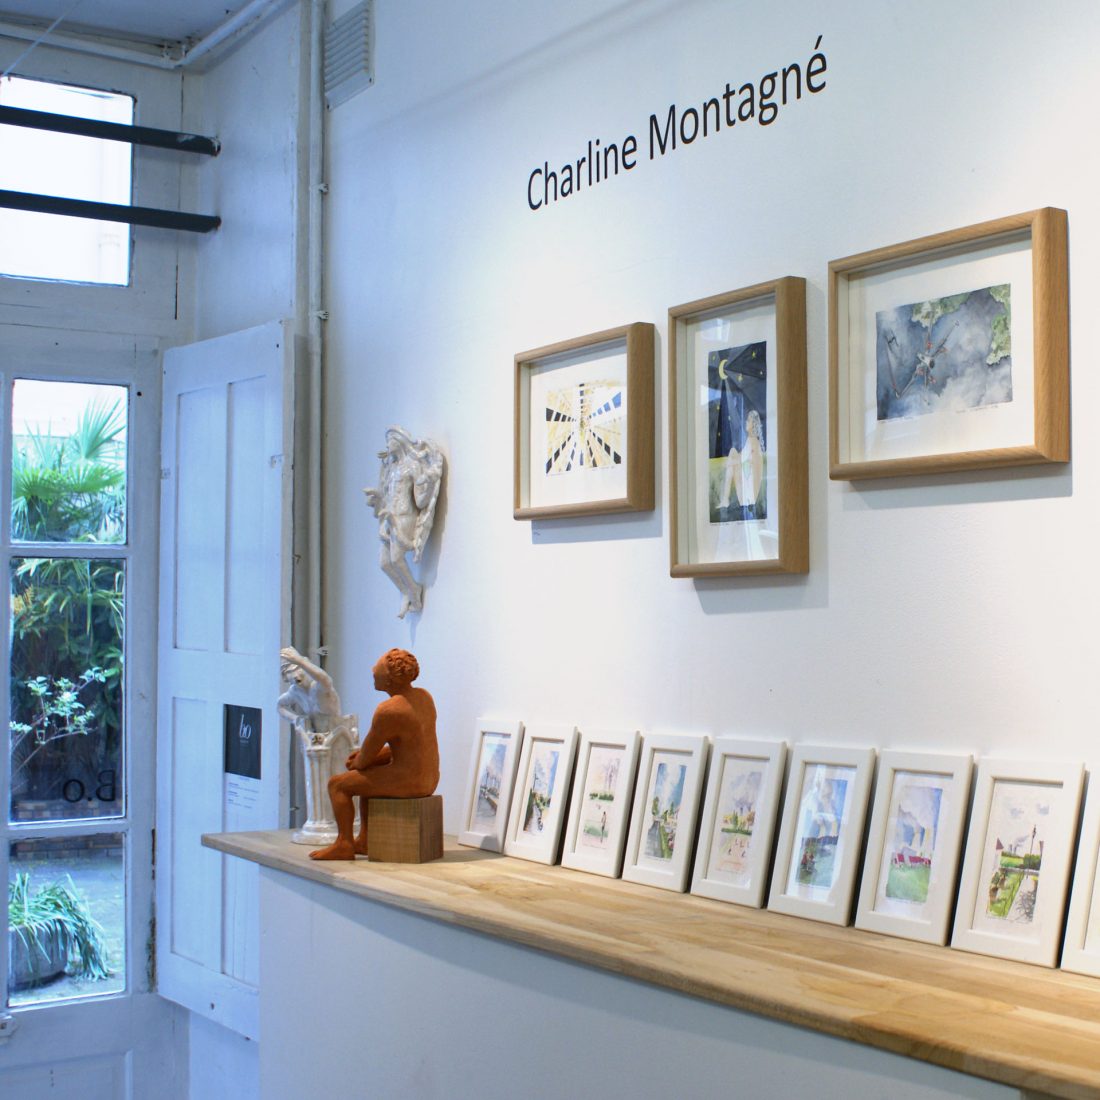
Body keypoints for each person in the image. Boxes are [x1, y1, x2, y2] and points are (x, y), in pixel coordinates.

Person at [309, 648, 439, 860]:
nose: (372, 670)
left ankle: (343, 843)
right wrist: (369, 759)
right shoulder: (424, 697)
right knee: (370, 776)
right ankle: (365, 840)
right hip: (429, 779)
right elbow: (411, 746)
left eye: (377, 669)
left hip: (409, 781)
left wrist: (358, 761)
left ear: (389, 679)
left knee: (338, 785)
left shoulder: (389, 710)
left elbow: (365, 759)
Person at [363, 427, 444, 618]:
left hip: (404, 516)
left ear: (399, 442)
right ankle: (407, 590)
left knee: (396, 559)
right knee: (384, 562)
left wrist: (428, 482)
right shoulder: (391, 469)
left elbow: (420, 501)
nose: (387, 445)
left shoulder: (413, 466)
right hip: (388, 516)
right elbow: (386, 495)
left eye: (390, 441)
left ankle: (414, 593)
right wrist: (376, 496)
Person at [277, 646, 343, 731]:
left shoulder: (318, 686)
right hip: (316, 736)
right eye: (289, 672)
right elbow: (280, 705)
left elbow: (326, 680)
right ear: (285, 677)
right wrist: (296, 719)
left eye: (297, 668)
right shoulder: (295, 691)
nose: (295, 675)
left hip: (336, 732)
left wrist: (300, 661)